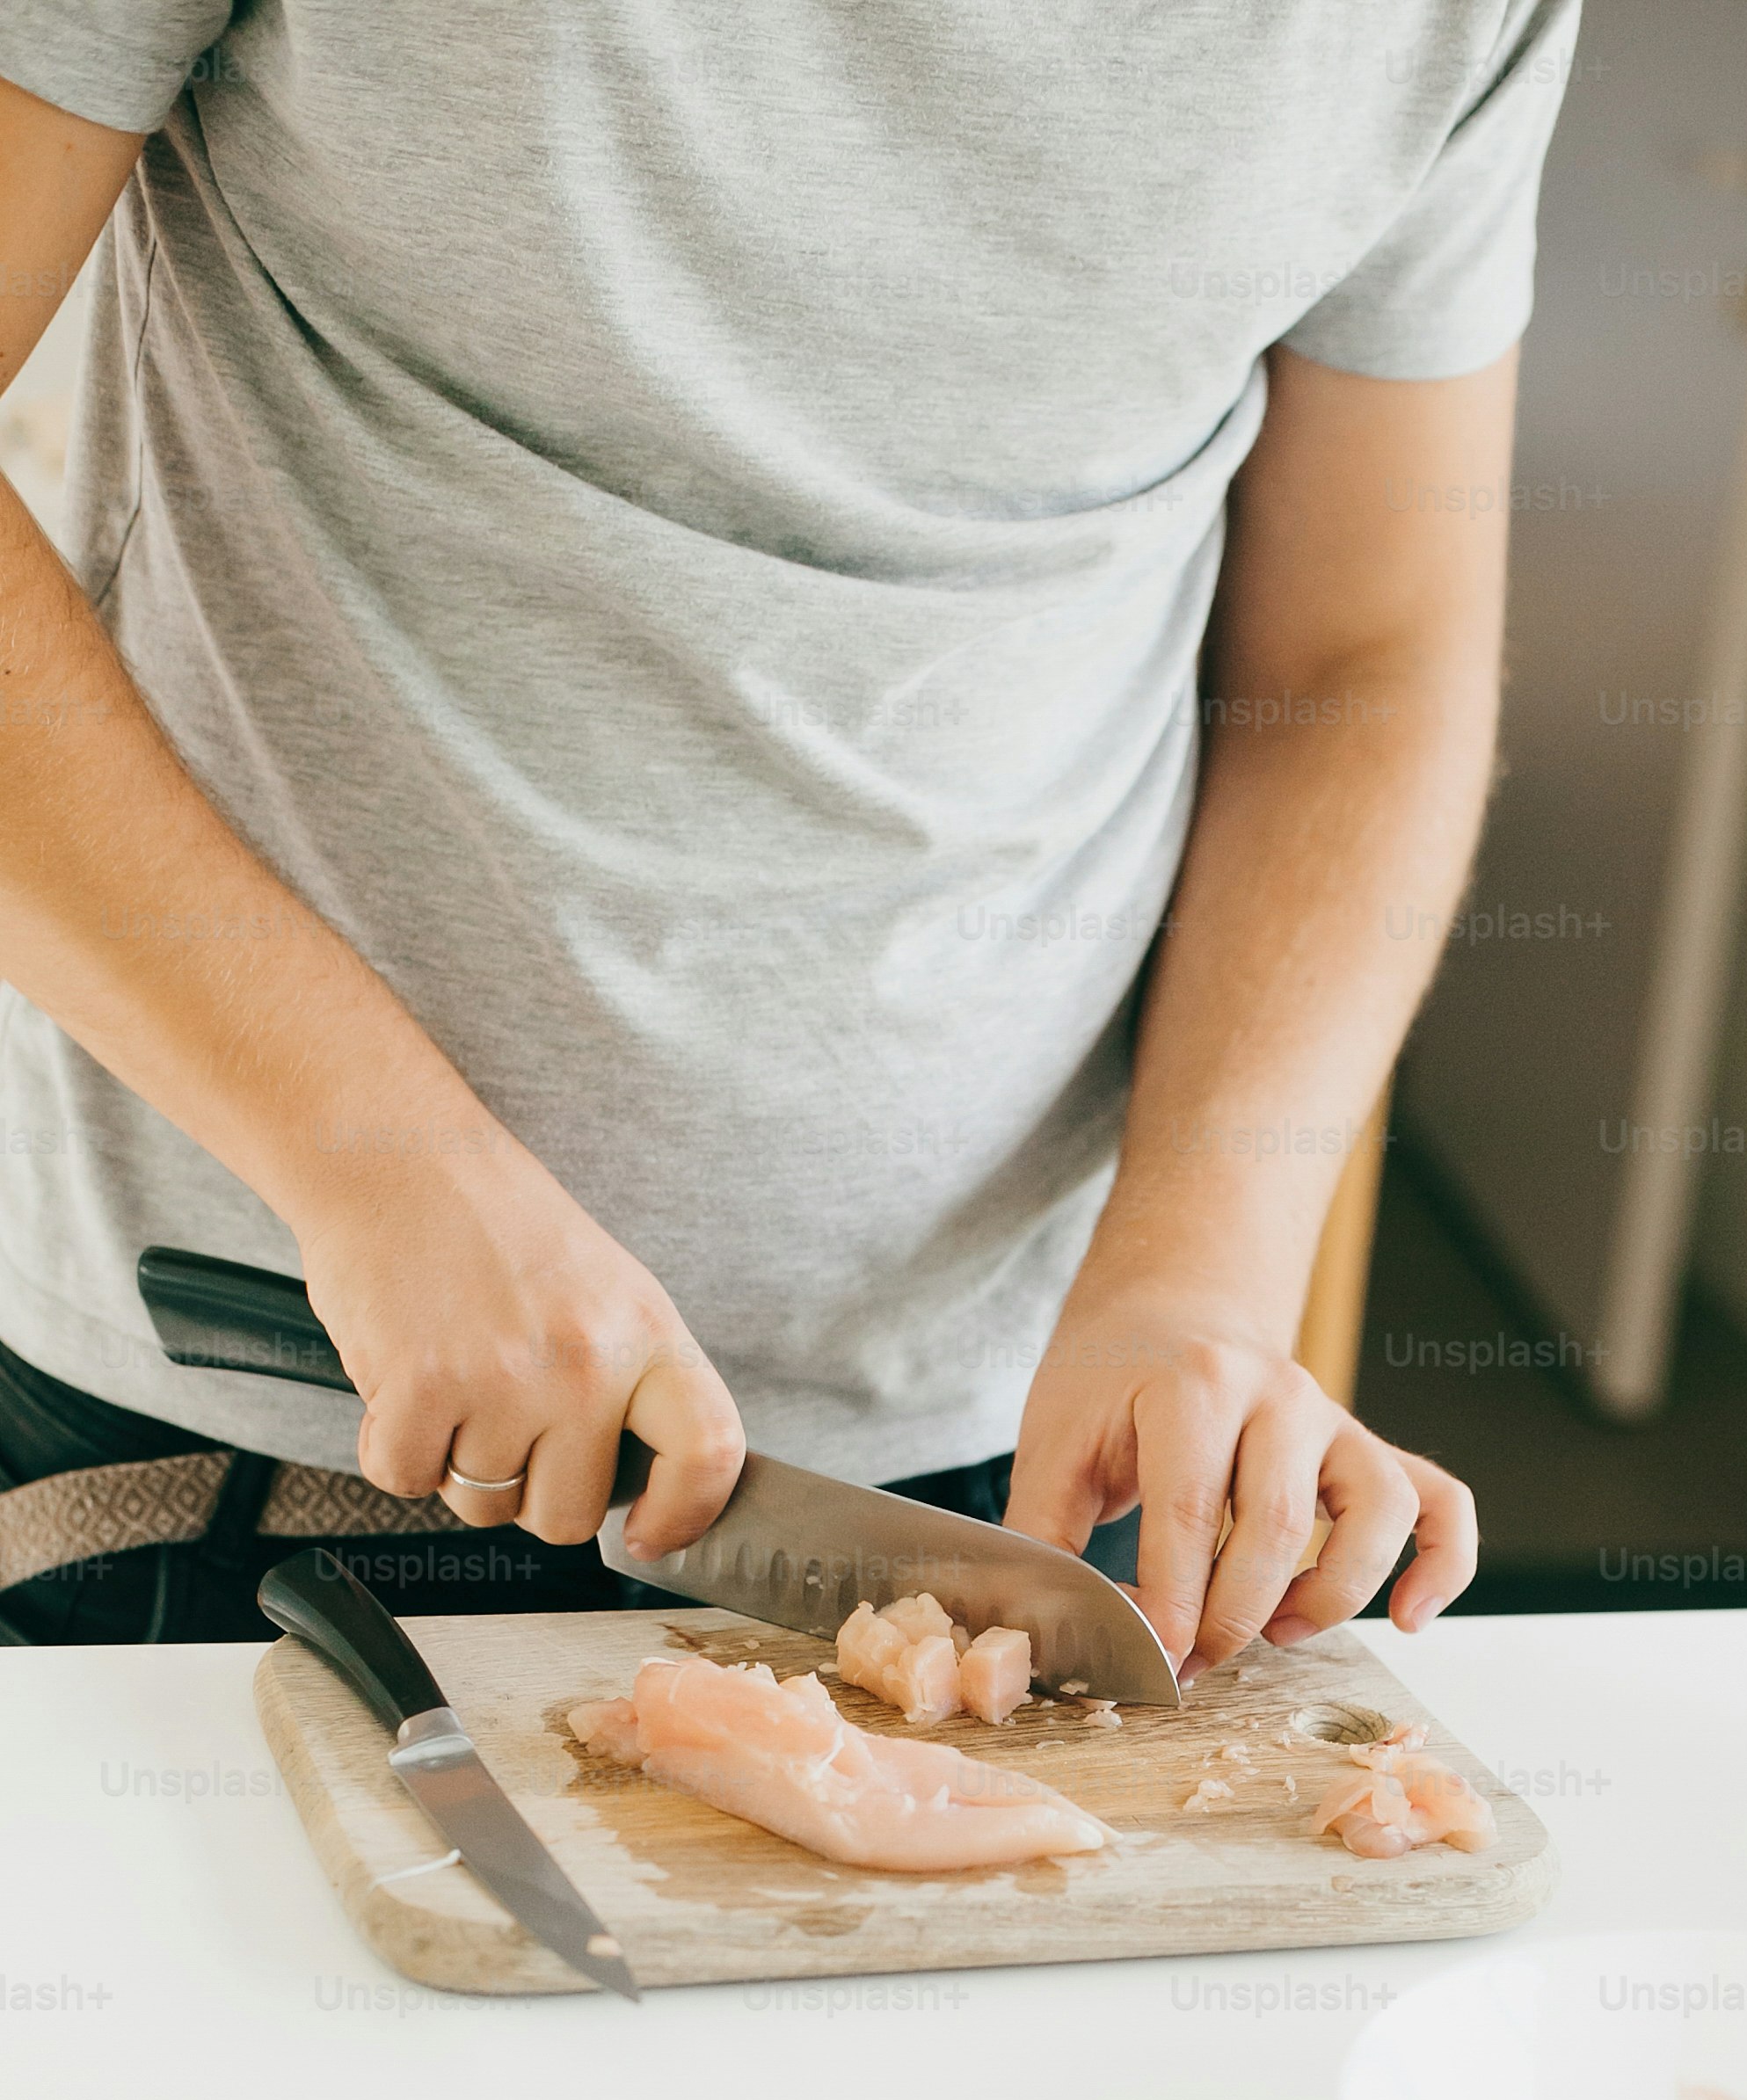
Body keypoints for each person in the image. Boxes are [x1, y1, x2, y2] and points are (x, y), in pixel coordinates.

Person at [0, 5, 1575, 1654]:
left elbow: (1357, 660)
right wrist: (371, 1155)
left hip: (1019, 1453)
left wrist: (1207, 1260)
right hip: (266, 1399)